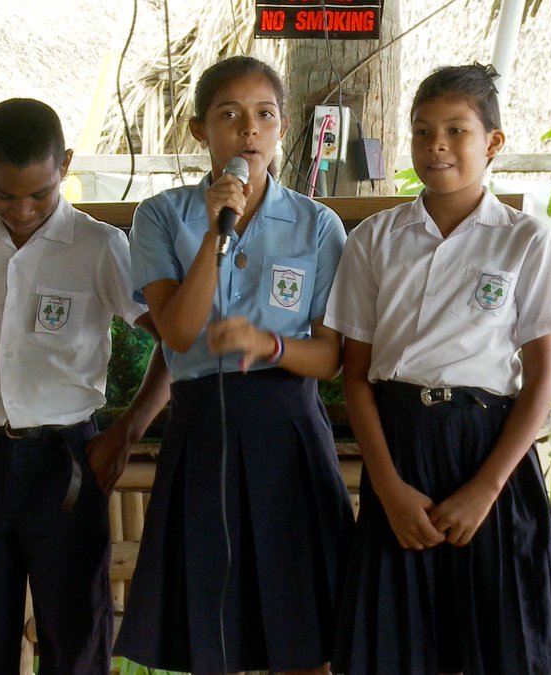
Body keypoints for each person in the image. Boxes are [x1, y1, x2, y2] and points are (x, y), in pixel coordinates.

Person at [328, 63, 551, 674]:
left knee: (507, 647)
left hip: (490, 455)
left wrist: (486, 489)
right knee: (396, 649)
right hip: (400, 455)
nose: (435, 145)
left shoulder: (525, 239)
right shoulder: (374, 239)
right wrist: (387, 488)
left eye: (455, 130)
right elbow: (355, 376)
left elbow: (543, 374)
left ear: (493, 142)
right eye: (421, 131)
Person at [115, 55, 353, 675]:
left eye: (264, 115)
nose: (249, 130)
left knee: (305, 631)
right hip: (204, 433)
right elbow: (178, 330)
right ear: (201, 131)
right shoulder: (164, 215)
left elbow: (329, 357)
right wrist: (216, 236)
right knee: (211, 633)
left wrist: (270, 345)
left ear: (280, 128)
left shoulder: (318, 224)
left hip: (290, 431)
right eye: (230, 115)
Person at [0, 98, 170, 675]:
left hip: (66, 463)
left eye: (40, 193)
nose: (23, 209)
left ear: (67, 165)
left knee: (73, 629)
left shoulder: (99, 246)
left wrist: (126, 431)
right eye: (5, 195)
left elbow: (174, 342)